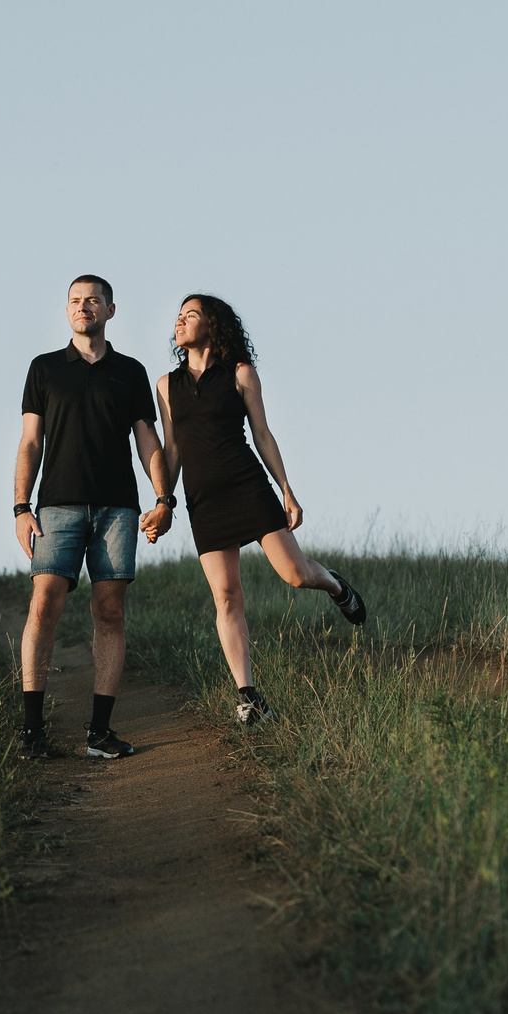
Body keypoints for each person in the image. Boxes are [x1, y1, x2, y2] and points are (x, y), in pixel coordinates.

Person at [155, 293, 366, 725]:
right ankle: (249, 696)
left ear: (213, 325)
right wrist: (165, 502)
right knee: (226, 596)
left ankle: (334, 584)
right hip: (204, 500)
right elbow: (172, 449)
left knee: (294, 574)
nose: (180, 322)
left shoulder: (240, 374)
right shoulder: (166, 385)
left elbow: (263, 434)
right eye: (178, 316)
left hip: (247, 486)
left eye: (190, 315)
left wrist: (287, 489)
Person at [15, 275, 175, 759]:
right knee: (44, 603)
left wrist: (164, 498)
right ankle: (31, 731)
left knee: (110, 612)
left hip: (117, 509)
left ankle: (99, 733)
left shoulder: (130, 372)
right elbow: (30, 441)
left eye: (93, 301)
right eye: (75, 301)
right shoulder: (44, 369)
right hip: (57, 506)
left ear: (110, 310)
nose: (83, 307)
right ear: (68, 311)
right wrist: (21, 507)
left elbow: (146, 438)